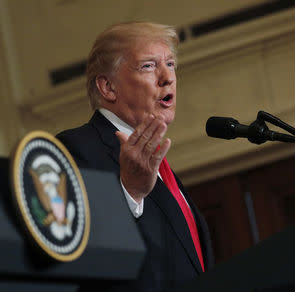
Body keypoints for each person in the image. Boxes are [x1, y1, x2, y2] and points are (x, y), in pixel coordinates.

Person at [57, 21, 214, 291]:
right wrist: (129, 193)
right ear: (107, 87)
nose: (167, 77)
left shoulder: (156, 163)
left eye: (171, 64)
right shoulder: (75, 149)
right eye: (149, 66)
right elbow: (81, 257)